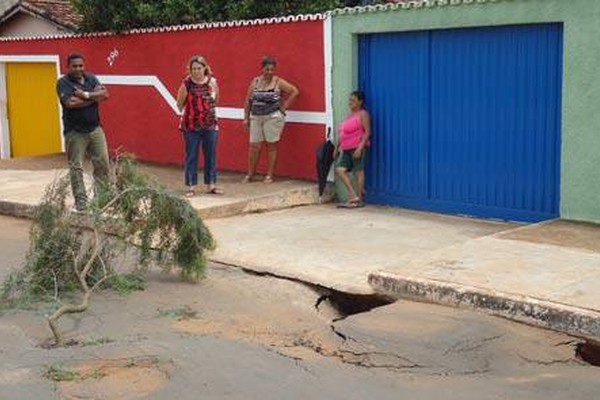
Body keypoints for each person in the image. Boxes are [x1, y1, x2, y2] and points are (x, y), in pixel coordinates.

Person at [56, 53, 110, 211]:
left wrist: (85, 95)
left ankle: (101, 200)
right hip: (75, 132)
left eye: (81, 65)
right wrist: (94, 97)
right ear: (68, 67)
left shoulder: (91, 79)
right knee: (76, 167)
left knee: (102, 164)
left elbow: (106, 94)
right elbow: (70, 103)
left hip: (95, 129)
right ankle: (81, 202)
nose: (78, 68)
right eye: (74, 66)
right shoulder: (63, 83)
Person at [243, 56, 299, 183]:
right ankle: (251, 174)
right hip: (256, 116)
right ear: (262, 69)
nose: (269, 72)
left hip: (272, 117)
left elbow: (294, 91)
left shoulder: (278, 81)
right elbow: (248, 100)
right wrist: (246, 118)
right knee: (254, 146)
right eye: (267, 69)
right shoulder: (255, 82)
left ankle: (269, 175)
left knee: (271, 145)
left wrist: (284, 106)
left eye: (272, 69)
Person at [176, 55, 223, 197]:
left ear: (205, 68)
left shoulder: (212, 83)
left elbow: (216, 101)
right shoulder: (186, 84)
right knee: (191, 155)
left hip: (210, 125)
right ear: (190, 70)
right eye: (193, 69)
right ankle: (191, 186)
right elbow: (179, 104)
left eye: (199, 68)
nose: (196, 71)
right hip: (191, 127)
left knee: (211, 155)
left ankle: (211, 185)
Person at [335, 91, 372, 208]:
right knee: (340, 170)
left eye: (353, 100)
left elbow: (367, 132)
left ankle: (359, 199)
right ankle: (352, 195)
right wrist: (336, 147)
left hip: (357, 147)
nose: (350, 102)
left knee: (359, 172)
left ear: (360, 102)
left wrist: (360, 148)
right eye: (350, 100)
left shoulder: (363, 114)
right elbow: (343, 133)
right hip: (346, 148)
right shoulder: (349, 115)